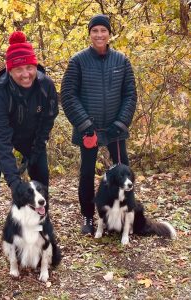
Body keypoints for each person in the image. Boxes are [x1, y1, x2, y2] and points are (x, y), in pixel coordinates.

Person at [0, 31, 59, 261]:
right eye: (19, 70)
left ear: (35, 65)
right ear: (10, 70)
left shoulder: (45, 86)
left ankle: (42, 225)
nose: (25, 74)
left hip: (31, 135)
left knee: (40, 173)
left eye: (29, 67)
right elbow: (1, 142)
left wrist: (36, 149)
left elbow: (48, 118)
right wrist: (14, 182)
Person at [61, 14, 137, 236]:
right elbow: (68, 95)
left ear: (109, 33)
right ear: (89, 34)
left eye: (103, 30)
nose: (99, 35)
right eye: (95, 31)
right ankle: (87, 216)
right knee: (86, 173)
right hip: (89, 130)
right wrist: (85, 126)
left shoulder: (122, 60)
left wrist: (121, 123)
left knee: (125, 173)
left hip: (115, 130)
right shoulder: (78, 61)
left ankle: (123, 214)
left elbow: (130, 94)